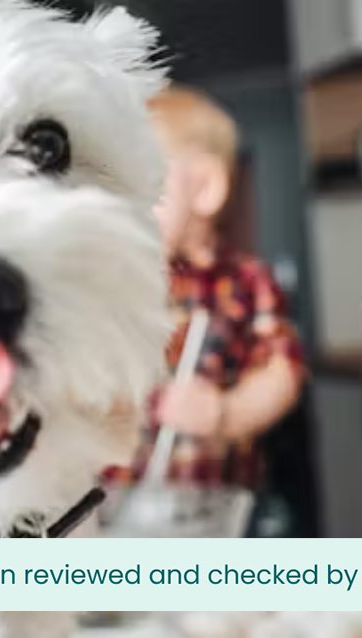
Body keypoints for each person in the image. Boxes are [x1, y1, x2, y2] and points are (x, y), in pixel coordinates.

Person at [101, 86, 305, 495]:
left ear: (206, 188)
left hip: (208, 505)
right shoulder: (107, 282)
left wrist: (227, 415)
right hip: (111, 506)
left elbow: (282, 372)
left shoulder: (244, 281)